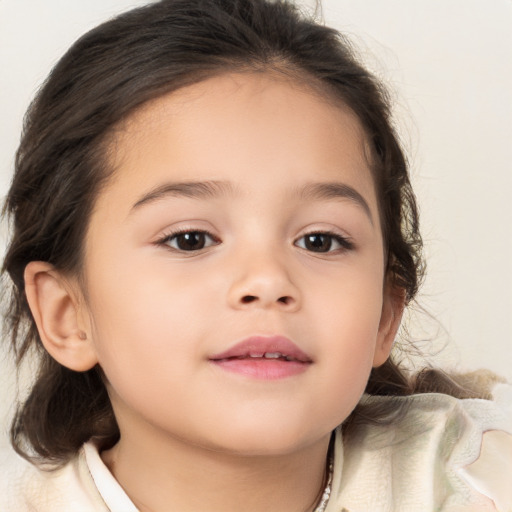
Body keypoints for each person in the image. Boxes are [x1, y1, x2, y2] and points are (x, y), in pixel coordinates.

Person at [0, 0, 510, 510]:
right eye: (190, 239)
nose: (267, 280)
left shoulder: (479, 482)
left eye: (320, 240)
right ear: (67, 314)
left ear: (385, 312)